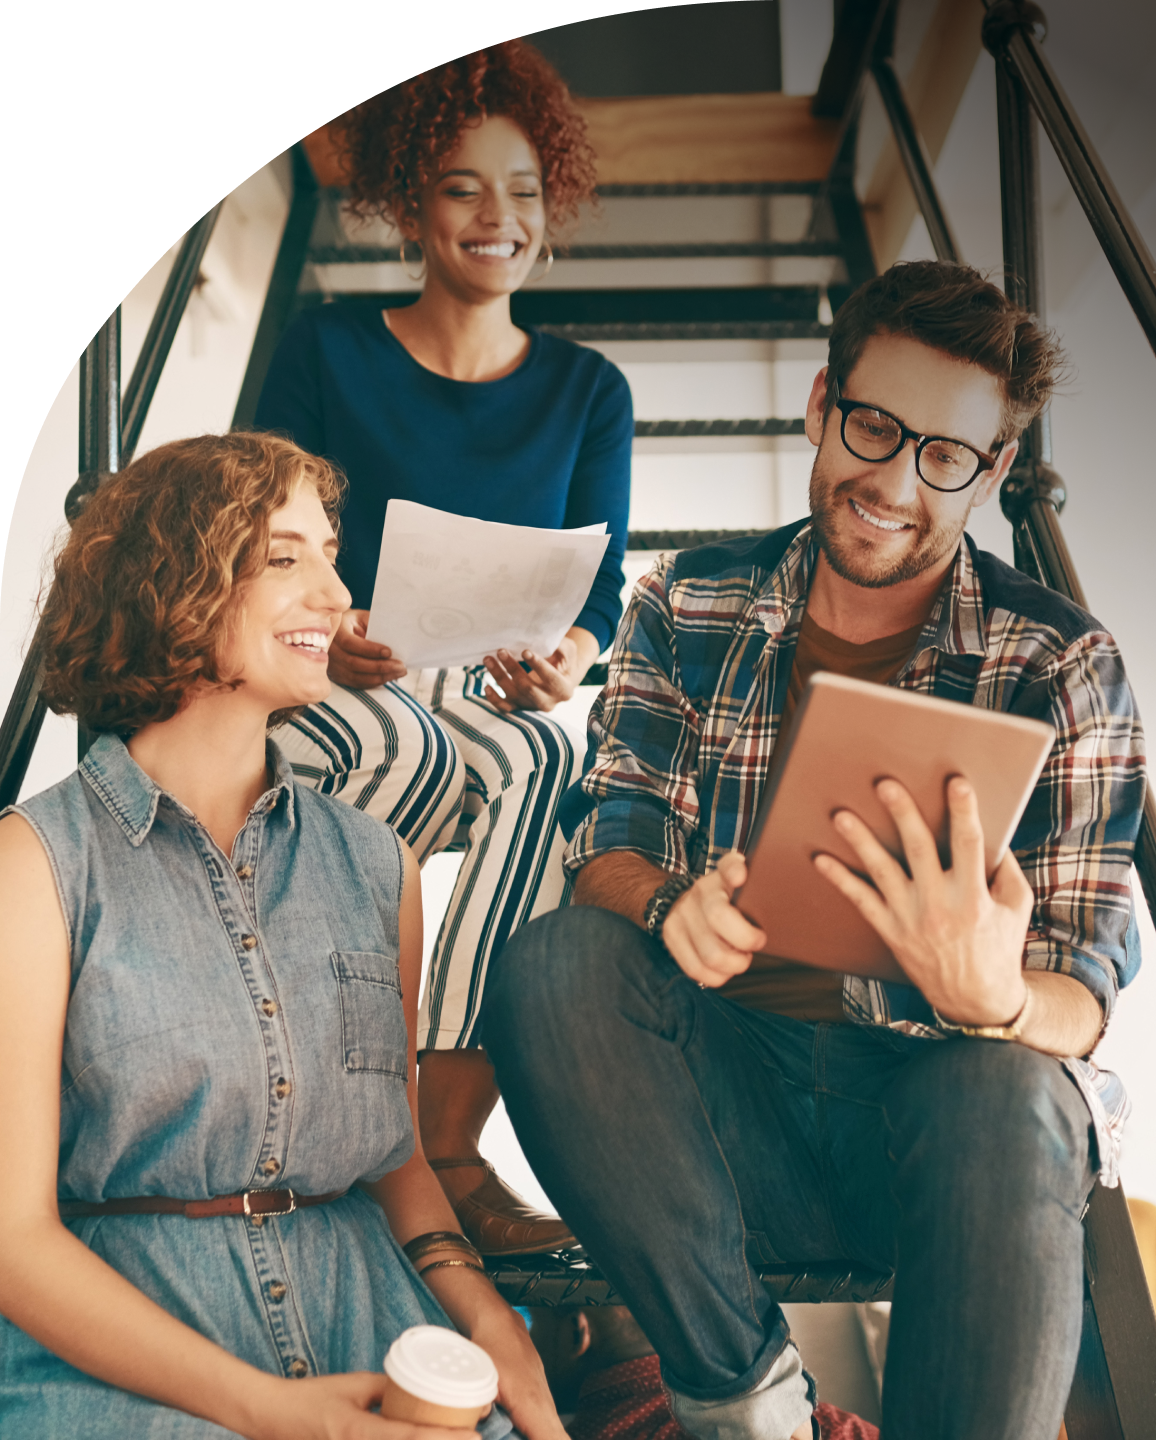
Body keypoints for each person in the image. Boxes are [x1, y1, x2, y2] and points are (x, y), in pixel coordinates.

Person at [483, 262, 1147, 1440]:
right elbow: (612, 842)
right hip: (726, 1135)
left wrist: (993, 997)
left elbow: (1083, 995)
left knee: (1008, 1081)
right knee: (553, 962)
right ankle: (751, 1410)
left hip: (947, 1150)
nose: (893, 482)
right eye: (874, 427)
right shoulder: (684, 600)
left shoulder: (1060, 662)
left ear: (992, 472)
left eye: (945, 454)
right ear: (820, 403)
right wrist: (659, 906)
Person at [0, 433, 564, 1439]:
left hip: (372, 1325)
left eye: (331, 554)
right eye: (285, 557)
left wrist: (488, 1322)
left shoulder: (377, 863)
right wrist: (273, 1414)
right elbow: (15, 1244)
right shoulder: (36, 865)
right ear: (173, 584)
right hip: (125, 1370)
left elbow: (396, 1161)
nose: (339, 594)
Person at [253, 42, 633, 1255]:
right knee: (405, 735)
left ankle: (444, 1135)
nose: (496, 216)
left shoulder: (588, 390)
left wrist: (567, 657)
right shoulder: (326, 350)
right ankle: (331, 1085)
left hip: (484, 690)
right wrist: (335, 624)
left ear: (549, 212)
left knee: (550, 765)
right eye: (465, 187)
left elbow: (604, 585)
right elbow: (258, 529)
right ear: (411, 202)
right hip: (331, 666)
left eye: (522, 191)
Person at [526, 1307, 879, 1440]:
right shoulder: (828, 1422)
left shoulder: (583, 1431)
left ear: (578, 1332)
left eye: (532, 1325)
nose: (530, 1339)